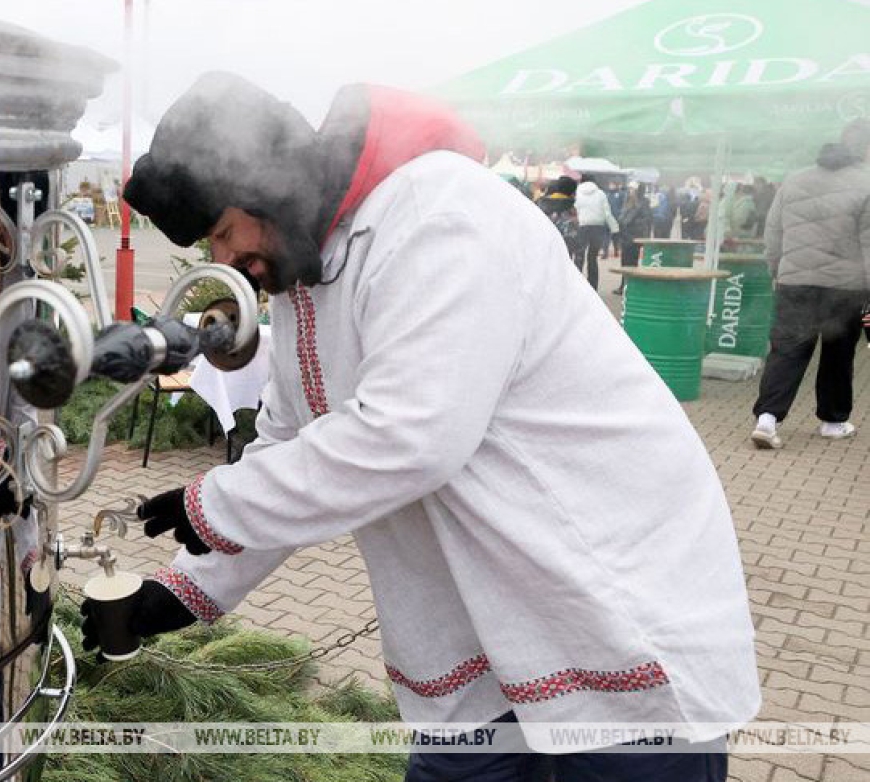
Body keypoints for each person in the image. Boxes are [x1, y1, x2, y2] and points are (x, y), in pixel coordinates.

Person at [98, 72, 758, 782]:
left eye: (224, 232)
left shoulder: (438, 215)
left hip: (604, 593)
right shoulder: (305, 278)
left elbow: (410, 436)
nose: (226, 262)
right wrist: (183, 590)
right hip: (474, 623)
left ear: (267, 184)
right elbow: (287, 447)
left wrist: (213, 505)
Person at [750, 119, 870, 449]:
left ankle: (767, 419)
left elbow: (773, 231)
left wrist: (778, 269)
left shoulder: (796, 179)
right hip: (845, 287)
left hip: (795, 281)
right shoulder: (867, 182)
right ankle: (833, 422)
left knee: (787, 350)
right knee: (838, 354)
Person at [573, 177, 619, 289]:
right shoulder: (601, 194)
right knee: (592, 257)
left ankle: (575, 285)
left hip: (581, 227)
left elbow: (574, 210)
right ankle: (592, 287)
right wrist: (615, 228)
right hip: (598, 228)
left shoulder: (577, 192)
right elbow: (607, 213)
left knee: (579, 256)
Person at [614, 182, 652, 295]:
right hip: (625, 235)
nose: (630, 191)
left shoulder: (643, 202)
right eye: (629, 189)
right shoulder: (628, 201)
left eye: (632, 189)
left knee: (632, 262)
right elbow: (622, 217)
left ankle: (630, 286)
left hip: (634, 237)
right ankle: (623, 285)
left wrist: (633, 223)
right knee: (625, 262)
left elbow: (647, 219)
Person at [534, 176, 579, 261]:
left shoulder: (540, 203)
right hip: (565, 248)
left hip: (543, 245)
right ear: (572, 192)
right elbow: (574, 231)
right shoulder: (571, 207)